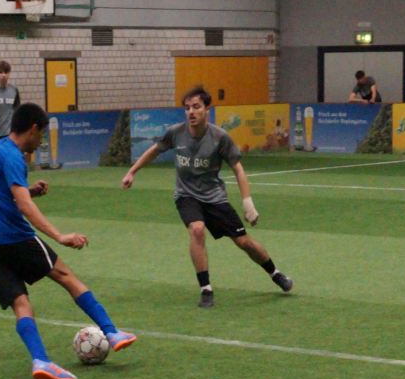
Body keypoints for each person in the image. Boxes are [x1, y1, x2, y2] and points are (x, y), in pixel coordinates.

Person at [0, 103, 135, 379]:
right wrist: (59, 236)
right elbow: (24, 206)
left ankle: (41, 361)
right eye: (42, 134)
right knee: (66, 275)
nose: (42, 140)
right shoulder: (14, 156)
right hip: (9, 235)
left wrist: (29, 191)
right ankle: (111, 332)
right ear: (33, 129)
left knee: (21, 303)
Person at [121, 84, 294, 309]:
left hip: (215, 198)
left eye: (196, 107)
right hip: (186, 196)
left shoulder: (220, 137)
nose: (191, 112)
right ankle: (206, 289)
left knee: (244, 242)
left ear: (207, 110)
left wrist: (248, 203)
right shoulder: (176, 132)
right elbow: (156, 149)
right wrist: (132, 171)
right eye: (187, 108)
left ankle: (275, 273)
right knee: (197, 230)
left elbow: (238, 169)